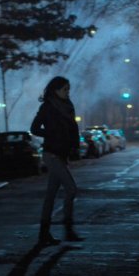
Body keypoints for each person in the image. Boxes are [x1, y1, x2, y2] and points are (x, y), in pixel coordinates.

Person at [30, 76, 84, 246]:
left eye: (69, 89)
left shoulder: (68, 106)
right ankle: (68, 229)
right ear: (55, 90)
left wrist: (75, 146)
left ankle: (44, 233)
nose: (68, 92)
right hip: (51, 153)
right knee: (71, 189)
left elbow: (73, 128)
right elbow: (34, 129)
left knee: (51, 195)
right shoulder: (47, 107)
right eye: (65, 89)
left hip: (62, 154)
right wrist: (52, 134)